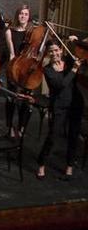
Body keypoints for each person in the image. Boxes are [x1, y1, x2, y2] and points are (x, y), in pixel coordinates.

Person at [36, 42, 84, 180]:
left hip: (75, 104)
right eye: (51, 51)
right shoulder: (47, 70)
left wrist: (75, 42)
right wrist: (74, 71)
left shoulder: (69, 61)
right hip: (59, 105)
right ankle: (41, 163)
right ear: (48, 53)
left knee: (73, 136)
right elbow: (60, 85)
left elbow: (82, 54)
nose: (55, 53)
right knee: (53, 136)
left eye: (57, 50)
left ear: (61, 50)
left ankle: (69, 166)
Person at [3, 5, 36, 137]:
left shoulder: (32, 32)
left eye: (26, 14)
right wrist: (15, 66)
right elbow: (12, 53)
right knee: (11, 98)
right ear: (17, 15)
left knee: (27, 100)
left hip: (28, 69)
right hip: (15, 67)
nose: (23, 16)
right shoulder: (9, 31)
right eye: (21, 13)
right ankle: (10, 127)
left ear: (29, 17)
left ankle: (22, 127)